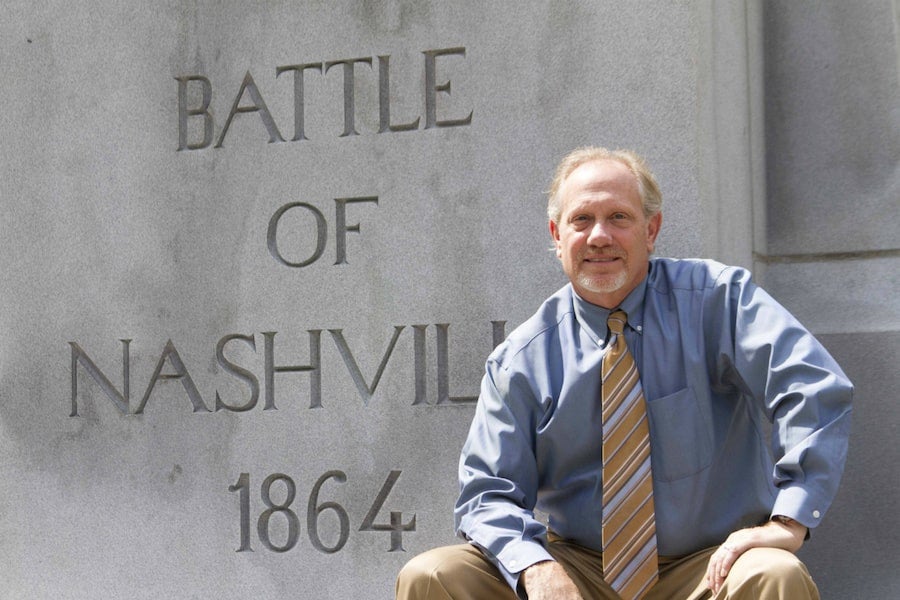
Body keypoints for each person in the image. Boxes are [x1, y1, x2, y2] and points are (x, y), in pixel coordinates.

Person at [396, 147, 852, 599]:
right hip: (580, 568)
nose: (599, 236)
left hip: (712, 566)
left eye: (618, 217)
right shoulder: (521, 360)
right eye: (581, 220)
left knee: (775, 574)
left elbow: (811, 385)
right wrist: (535, 566)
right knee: (432, 575)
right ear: (557, 236)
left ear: (651, 230)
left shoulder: (719, 301)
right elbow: (487, 493)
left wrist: (787, 523)